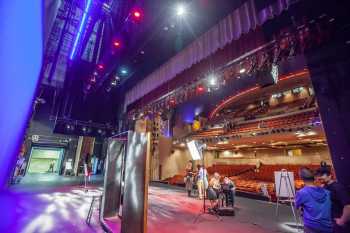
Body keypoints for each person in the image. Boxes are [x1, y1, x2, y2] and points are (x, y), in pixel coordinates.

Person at [295, 167, 333, 233]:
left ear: (302, 178)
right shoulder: (327, 192)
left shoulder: (301, 193)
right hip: (328, 227)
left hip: (311, 227)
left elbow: (297, 206)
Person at [315, 166, 350, 233]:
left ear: (330, 175)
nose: (319, 177)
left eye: (322, 175)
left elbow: (348, 206)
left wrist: (342, 220)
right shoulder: (324, 186)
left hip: (339, 225)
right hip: (329, 224)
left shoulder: (338, 188)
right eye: (318, 175)